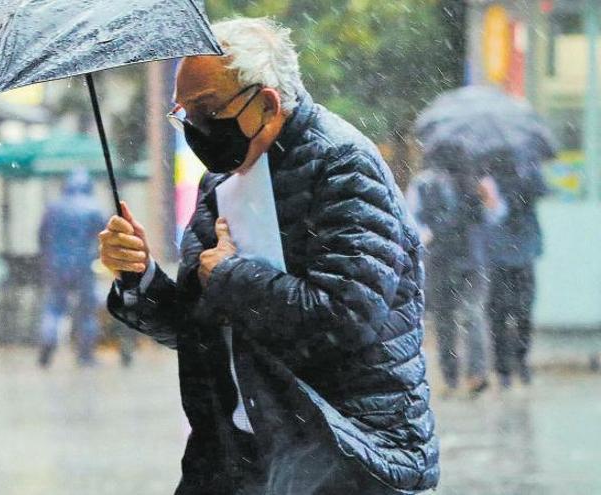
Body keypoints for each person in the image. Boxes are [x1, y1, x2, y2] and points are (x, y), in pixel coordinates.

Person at [98, 18, 438, 494]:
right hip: (240, 456)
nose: (197, 128)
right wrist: (138, 276)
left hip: (344, 448)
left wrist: (233, 277)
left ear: (267, 101)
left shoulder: (343, 166)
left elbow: (347, 316)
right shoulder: (219, 182)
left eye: (208, 109)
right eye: (185, 114)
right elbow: (200, 327)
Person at [407, 154, 507, 397]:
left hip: (469, 259)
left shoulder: (478, 182)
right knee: (447, 319)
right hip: (445, 259)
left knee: (468, 315)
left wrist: (487, 199)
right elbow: (413, 218)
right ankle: (455, 375)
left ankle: (475, 374)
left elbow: (496, 215)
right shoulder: (425, 183)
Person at [487, 150, 548, 387]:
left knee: (520, 312)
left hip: (521, 252)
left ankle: (517, 364)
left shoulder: (529, 170)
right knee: (501, 313)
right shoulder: (491, 172)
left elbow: (541, 191)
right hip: (503, 254)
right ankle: (506, 367)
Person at [37, 170, 107, 368]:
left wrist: (48, 257)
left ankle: (48, 339)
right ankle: (85, 355)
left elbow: (42, 237)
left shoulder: (53, 208)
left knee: (54, 307)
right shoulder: (93, 208)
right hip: (83, 265)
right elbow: (104, 236)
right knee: (86, 310)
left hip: (56, 264)